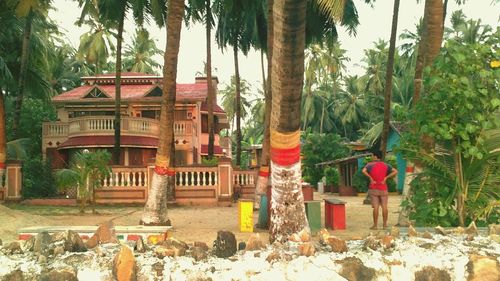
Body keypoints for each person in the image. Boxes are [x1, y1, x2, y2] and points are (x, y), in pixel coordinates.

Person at [362, 150, 398, 230]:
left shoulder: (369, 165)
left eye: (372, 155)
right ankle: (385, 225)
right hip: (383, 188)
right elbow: (395, 171)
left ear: (375, 156)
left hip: (373, 188)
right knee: (384, 207)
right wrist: (386, 177)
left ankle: (375, 225)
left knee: (376, 207)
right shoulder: (386, 165)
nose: (371, 157)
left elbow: (363, 171)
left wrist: (370, 177)